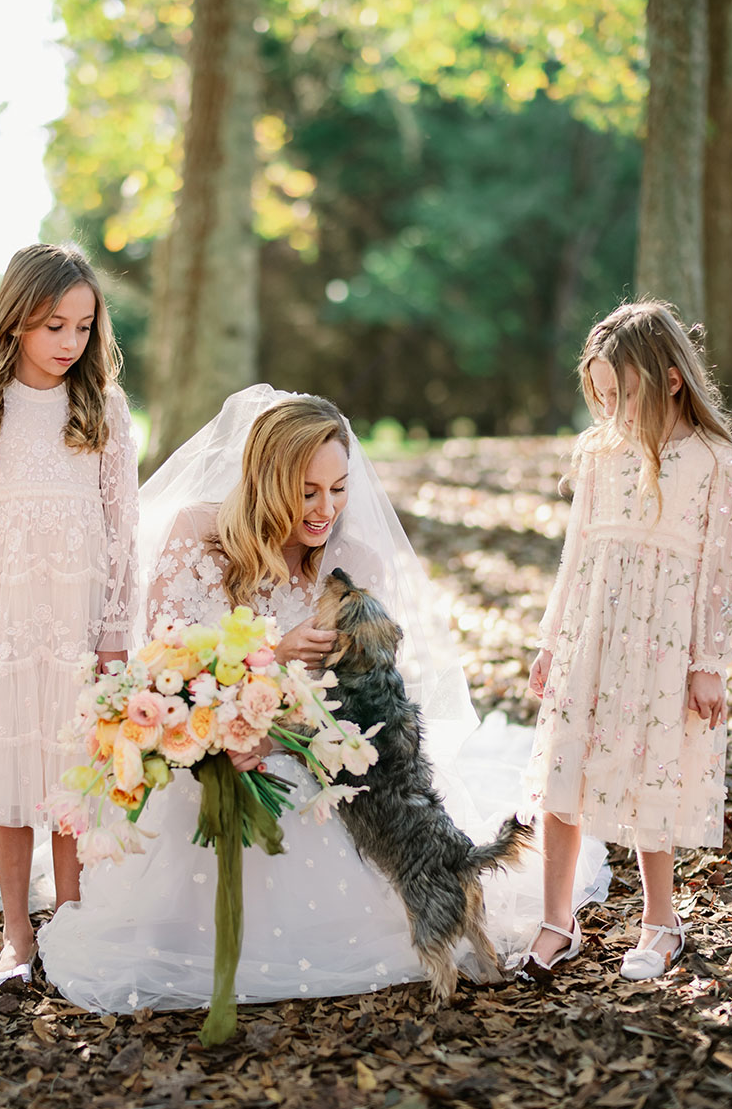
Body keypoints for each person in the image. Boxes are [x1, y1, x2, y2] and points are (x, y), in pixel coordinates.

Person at [34, 386, 608, 1012]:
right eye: (308, 491)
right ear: (264, 481)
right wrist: (272, 660)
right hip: (206, 738)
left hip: (317, 753)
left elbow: (367, 699)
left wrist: (295, 716)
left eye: (338, 489)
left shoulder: (354, 559)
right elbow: (165, 659)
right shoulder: (197, 534)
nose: (325, 509)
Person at [517, 301, 732, 981]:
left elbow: (722, 571)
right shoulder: (597, 454)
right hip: (593, 631)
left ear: (672, 380)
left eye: (623, 393)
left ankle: (660, 920)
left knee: (653, 770)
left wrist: (709, 662)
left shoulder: (714, 460)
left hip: (665, 641)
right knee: (564, 766)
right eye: (602, 397)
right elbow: (576, 552)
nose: (611, 410)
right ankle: (558, 922)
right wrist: (553, 640)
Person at [0, 243, 139, 987]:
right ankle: (16, 931)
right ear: (17, 319)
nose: (69, 343)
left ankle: (74, 920)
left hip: (79, 623)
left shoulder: (105, 410)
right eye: (55, 325)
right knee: (12, 769)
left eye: (84, 327)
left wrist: (116, 634)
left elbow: (123, 531)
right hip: (9, 620)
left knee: (72, 775)